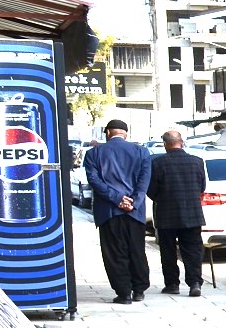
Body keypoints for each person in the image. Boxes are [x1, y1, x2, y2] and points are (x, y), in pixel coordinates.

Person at [83, 118, 152, 304]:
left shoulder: (93, 153)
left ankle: (124, 293)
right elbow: (144, 181)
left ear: (107, 133)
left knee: (114, 253)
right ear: (126, 134)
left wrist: (117, 199)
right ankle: (139, 289)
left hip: (109, 211)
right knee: (137, 250)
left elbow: (94, 181)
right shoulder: (142, 152)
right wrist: (134, 201)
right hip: (134, 212)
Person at [147, 130, 208, 297]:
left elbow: (151, 190)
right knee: (192, 250)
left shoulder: (158, 163)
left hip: (166, 214)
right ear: (182, 142)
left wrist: (163, 199)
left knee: (168, 251)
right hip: (192, 214)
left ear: (165, 144)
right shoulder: (197, 161)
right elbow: (201, 187)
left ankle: (172, 283)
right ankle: (195, 282)